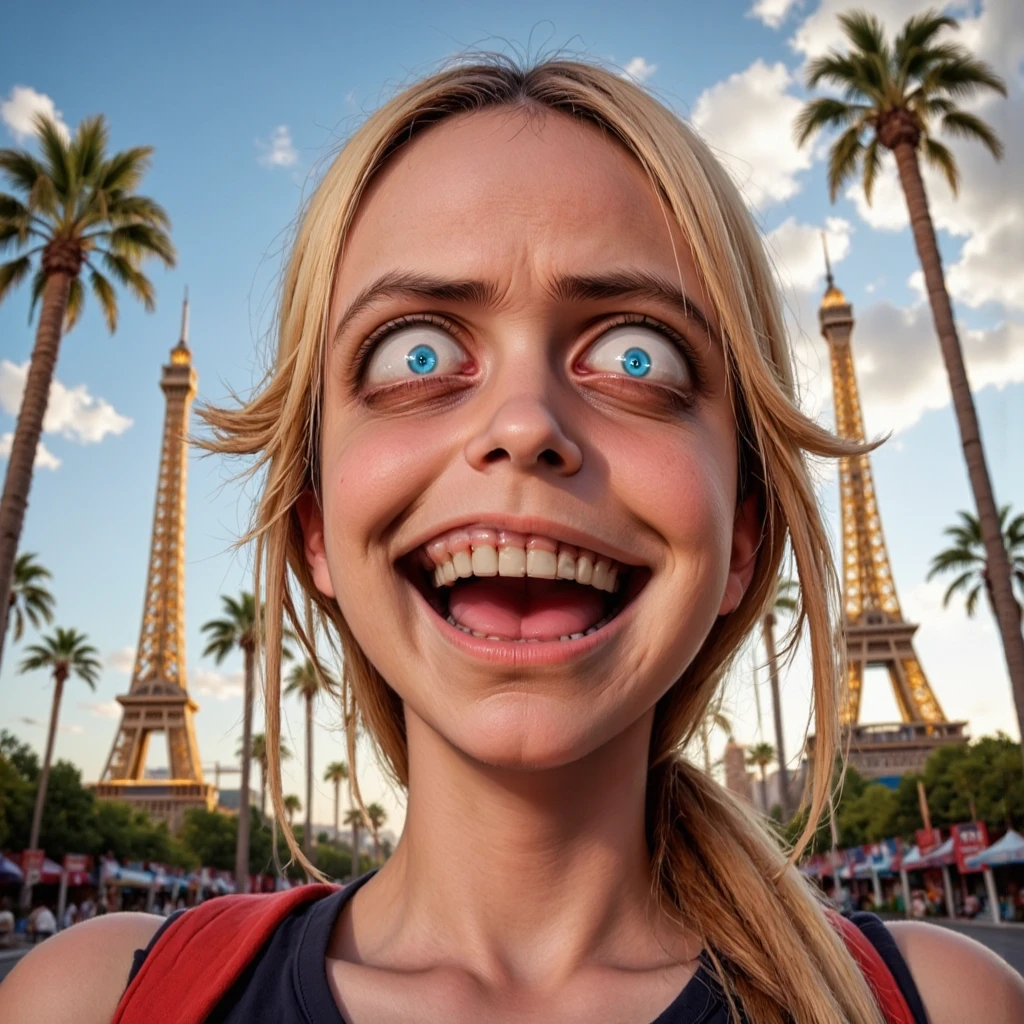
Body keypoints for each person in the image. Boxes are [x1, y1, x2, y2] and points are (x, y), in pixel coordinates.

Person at [3, 55, 1024, 1024]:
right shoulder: (91, 998)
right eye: (419, 350)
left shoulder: (948, 1003)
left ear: (741, 541)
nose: (524, 423)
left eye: (637, 354)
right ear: (314, 530)